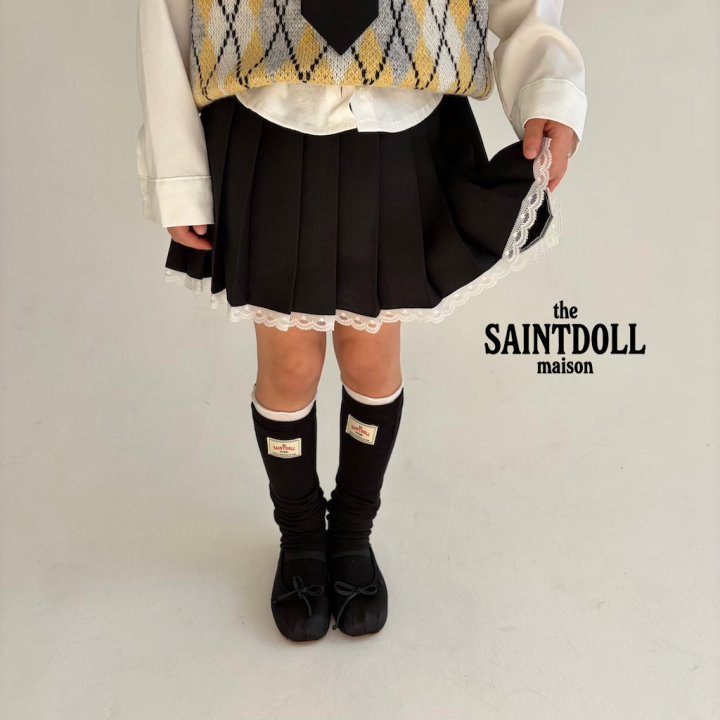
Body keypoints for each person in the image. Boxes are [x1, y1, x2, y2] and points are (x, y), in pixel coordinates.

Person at [135, 0, 587, 642]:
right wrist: (177, 172)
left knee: (370, 355)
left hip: (402, 119)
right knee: (289, 364)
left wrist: (548, 86)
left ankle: (351, 531)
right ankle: (300, 536)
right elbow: (165, 11)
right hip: (269, 118)